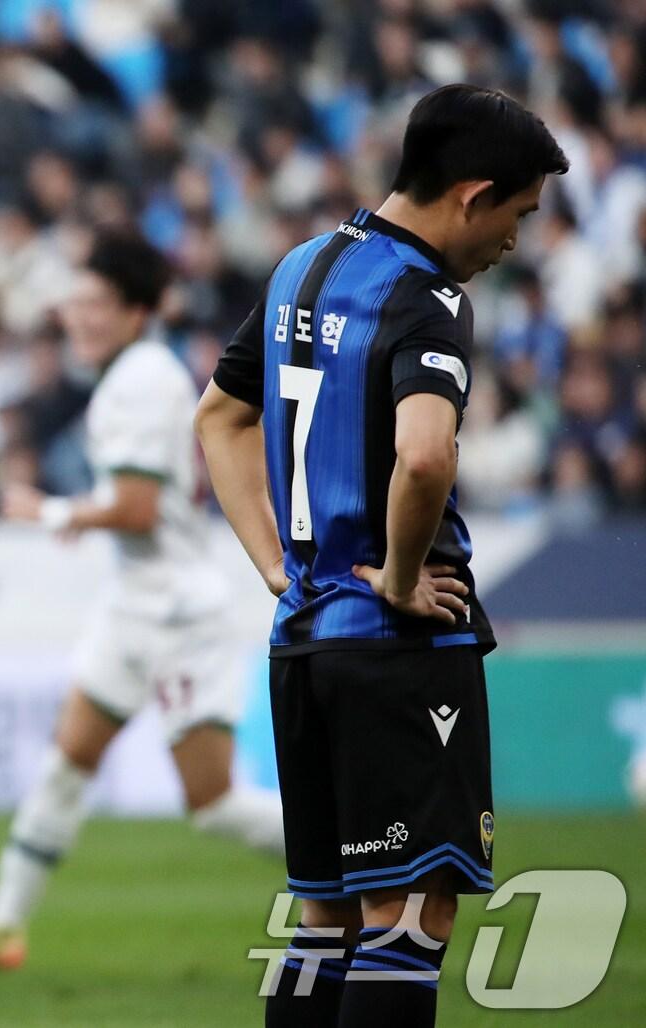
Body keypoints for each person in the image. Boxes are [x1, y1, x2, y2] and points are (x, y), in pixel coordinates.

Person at [193, 84, 567, 1027]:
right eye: (517, 214)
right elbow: (426, 453)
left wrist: (281, 568)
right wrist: (400, 579)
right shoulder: (425, 297)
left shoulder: (300, 270)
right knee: (407, 922)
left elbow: (219, 417)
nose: (514, 242)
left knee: (324, 923)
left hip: (304, 643)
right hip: (395, 655)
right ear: (472, 195)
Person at [0, 232, 284, 971]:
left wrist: (53, 513)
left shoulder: (145, 379)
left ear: (137, 312)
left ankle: (369, 869)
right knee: (67, 760)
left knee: (212, 803)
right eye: (74, 303)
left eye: (95, 305)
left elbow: (140, 508)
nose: (78, 318)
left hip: (179, 614)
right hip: (133, 604)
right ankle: (4, 925)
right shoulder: (127, 375)